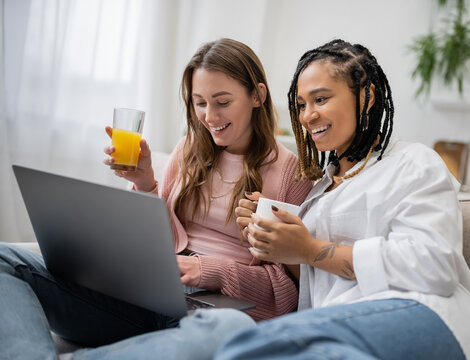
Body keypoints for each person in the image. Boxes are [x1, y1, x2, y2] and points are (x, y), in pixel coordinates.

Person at [0, 38, 311, 360]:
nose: (209, 116)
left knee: (227, 329)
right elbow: (156, 237)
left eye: (222, 101)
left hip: (214, 311)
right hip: (146, 297)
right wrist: (145, 182)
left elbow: (291, 288)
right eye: (199, 102)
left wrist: (210, 271)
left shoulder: (292, 173)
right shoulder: (188, 148)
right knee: (4, 257)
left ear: (257, 95)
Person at [217, 39, 470, 359]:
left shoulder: (413, 162)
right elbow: (321, 283)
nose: (307, 115)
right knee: (219, 329)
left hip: (429, 313)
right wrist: (280, 242)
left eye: (320, 99)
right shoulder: (321, 190)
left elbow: (435, 268)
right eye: (301, 105)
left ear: (366, 95)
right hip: (342, 321)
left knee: (255, 344)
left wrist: (311, 248)